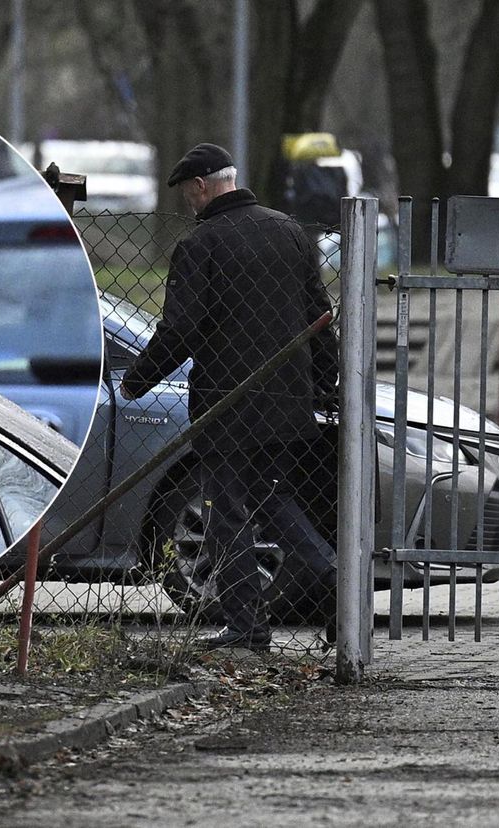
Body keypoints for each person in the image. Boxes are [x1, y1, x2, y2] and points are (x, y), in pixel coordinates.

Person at [120, 142, 339, 651]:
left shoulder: (203, 245)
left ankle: (246, 625)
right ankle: (331, 580)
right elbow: (318, 316)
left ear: (201, 186)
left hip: (227, 403)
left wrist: (138, 381)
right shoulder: (289, 232)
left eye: (188, 194)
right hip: (288, 398)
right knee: (274, 497)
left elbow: (181, 328)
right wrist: (324, 384)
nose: (188, 204)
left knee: (226, 509)